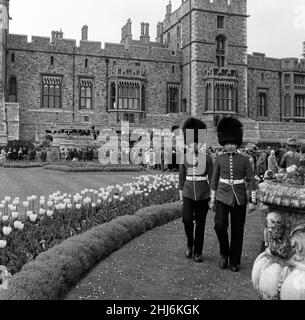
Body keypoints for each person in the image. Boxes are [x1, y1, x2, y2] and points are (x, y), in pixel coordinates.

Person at [210, 118, 257, 272]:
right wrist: (212, 199)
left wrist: (252, 201)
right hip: (222, 196)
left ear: (237, 143)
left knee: (238, 230)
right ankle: (224, 253)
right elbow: (214, 180)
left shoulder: (244, 160)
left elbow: (251, 180)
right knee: (219, 225)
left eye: (232, 143)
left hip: (239, 197)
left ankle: (235, 261)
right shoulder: (219, 159)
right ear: (223, 143)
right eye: (227, 143)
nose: (229, 145)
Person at [179, 117, 213, 263]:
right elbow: (182, 178)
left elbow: (211, 179)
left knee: (200, 224)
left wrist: (212, 197)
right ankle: (190, 244)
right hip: (187, 192)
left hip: (203, 193)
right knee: (186, 219)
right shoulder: (184, 158)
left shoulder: (208, 159)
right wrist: (181, 194)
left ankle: (198, 252)